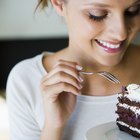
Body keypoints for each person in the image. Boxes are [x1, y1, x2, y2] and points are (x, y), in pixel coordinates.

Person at [6, 0, 140, 140]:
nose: (121, 34)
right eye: (97, 14)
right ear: (59, 3)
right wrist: (54, 126)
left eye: (133, 10)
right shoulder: (26, 80)